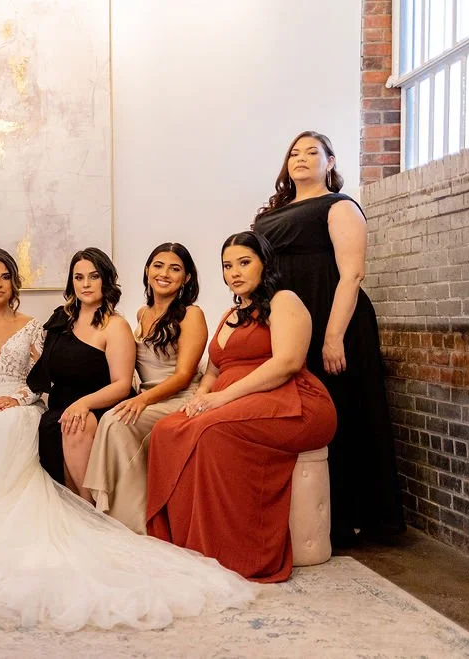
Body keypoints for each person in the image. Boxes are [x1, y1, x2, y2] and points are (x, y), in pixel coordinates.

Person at [0, 248, 257, 632]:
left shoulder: (54, 326)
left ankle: (93, 515)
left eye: (4, 277)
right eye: (79, 276)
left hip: (35, 402)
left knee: (20, 421)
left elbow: (37, 380)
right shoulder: (41, 321)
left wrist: (17, 398)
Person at [147, 231, 337, 583]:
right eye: (227, 265)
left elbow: (287, 363)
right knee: (167, 429)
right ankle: (179, 544)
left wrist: (220, 399)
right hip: (239, 400)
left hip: (295, 401)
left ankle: (226, 553)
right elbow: (215, 369)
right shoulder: (231, 314)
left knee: (212, 431)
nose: (234, 272)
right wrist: (199, 397)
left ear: (265, 263)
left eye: (244, 262)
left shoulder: (284, 301)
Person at [253, 130, 404, 546]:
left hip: (333, 318)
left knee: (340, 412)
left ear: (331, 162)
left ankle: (348, 519)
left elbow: (352, 273)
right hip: (288, 318)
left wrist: (333, 335)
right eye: (294, 153)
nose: (300, 158)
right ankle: (297, 516)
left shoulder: (338, 206)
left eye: (312, 152)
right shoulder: (273, 212)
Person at [83, 243, 207, 533]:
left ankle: (135, 522)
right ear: (147, 270)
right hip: (148, 398)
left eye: (175, 268)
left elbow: (185, 375)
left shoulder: (192, 314)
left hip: (180, 398)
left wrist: (142, 401)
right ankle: (111, 514)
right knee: (111, 418)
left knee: (117, 422)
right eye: (158, 265)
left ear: (187, 278)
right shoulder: (141, 314)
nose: (164, 273)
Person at [28, 248, 134, 499]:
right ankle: (74, 512)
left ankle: (92, 512)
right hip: (61, 405)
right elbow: (43, 370)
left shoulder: (115, 325)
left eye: (93, 276)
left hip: (100, 403)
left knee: (75, 423)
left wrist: (84, 404)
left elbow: (122, 384)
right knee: (57, 422)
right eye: (78, 277)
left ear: (105, 280)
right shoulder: (61, 319)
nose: (85, 284)